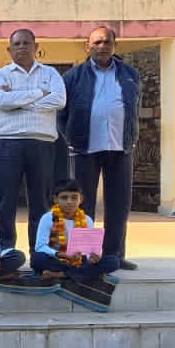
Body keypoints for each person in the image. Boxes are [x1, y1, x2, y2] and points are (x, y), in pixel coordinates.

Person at [58, 25, 141, 271]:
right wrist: (69, 138)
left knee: (119, 204)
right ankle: (84, 254)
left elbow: (134, 108)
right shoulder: (73, 76)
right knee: (83, 204)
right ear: (88, 46)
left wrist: (132, 136)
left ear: (114, 45)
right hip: (85, 148)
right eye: (97, 42)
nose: (102, 46)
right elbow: (60, 113)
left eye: (107, 42)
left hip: (120, 147)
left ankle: (115, 255)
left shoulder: (130, 74)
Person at [0, 28, 67, 256]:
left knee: (41, 201)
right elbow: (1, 100)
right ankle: (6, 253)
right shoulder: (0, 75)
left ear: (36, 47)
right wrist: (40, 93)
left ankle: (40, 253)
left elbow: (60, 100)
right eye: (17, 44)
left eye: (26, 43)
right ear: (9, 49)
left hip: (43, 144)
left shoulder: (51, 73)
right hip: (7, 144)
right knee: (5, 201)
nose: (22, 47)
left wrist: (18, 100)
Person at [31, 177, 120, 310]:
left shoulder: (87, 220)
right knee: (37, 259)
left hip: (80, 261)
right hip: (58, 259)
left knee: (113, 261)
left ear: (80, 199)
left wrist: (93, 258)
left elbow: (91, 249)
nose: (69, 202)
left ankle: (62, 275)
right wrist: (63, 255)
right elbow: (40, 246)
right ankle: (79, 274)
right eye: (64, 198)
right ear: (55, 199)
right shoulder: (48, 218)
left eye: (74, 198)